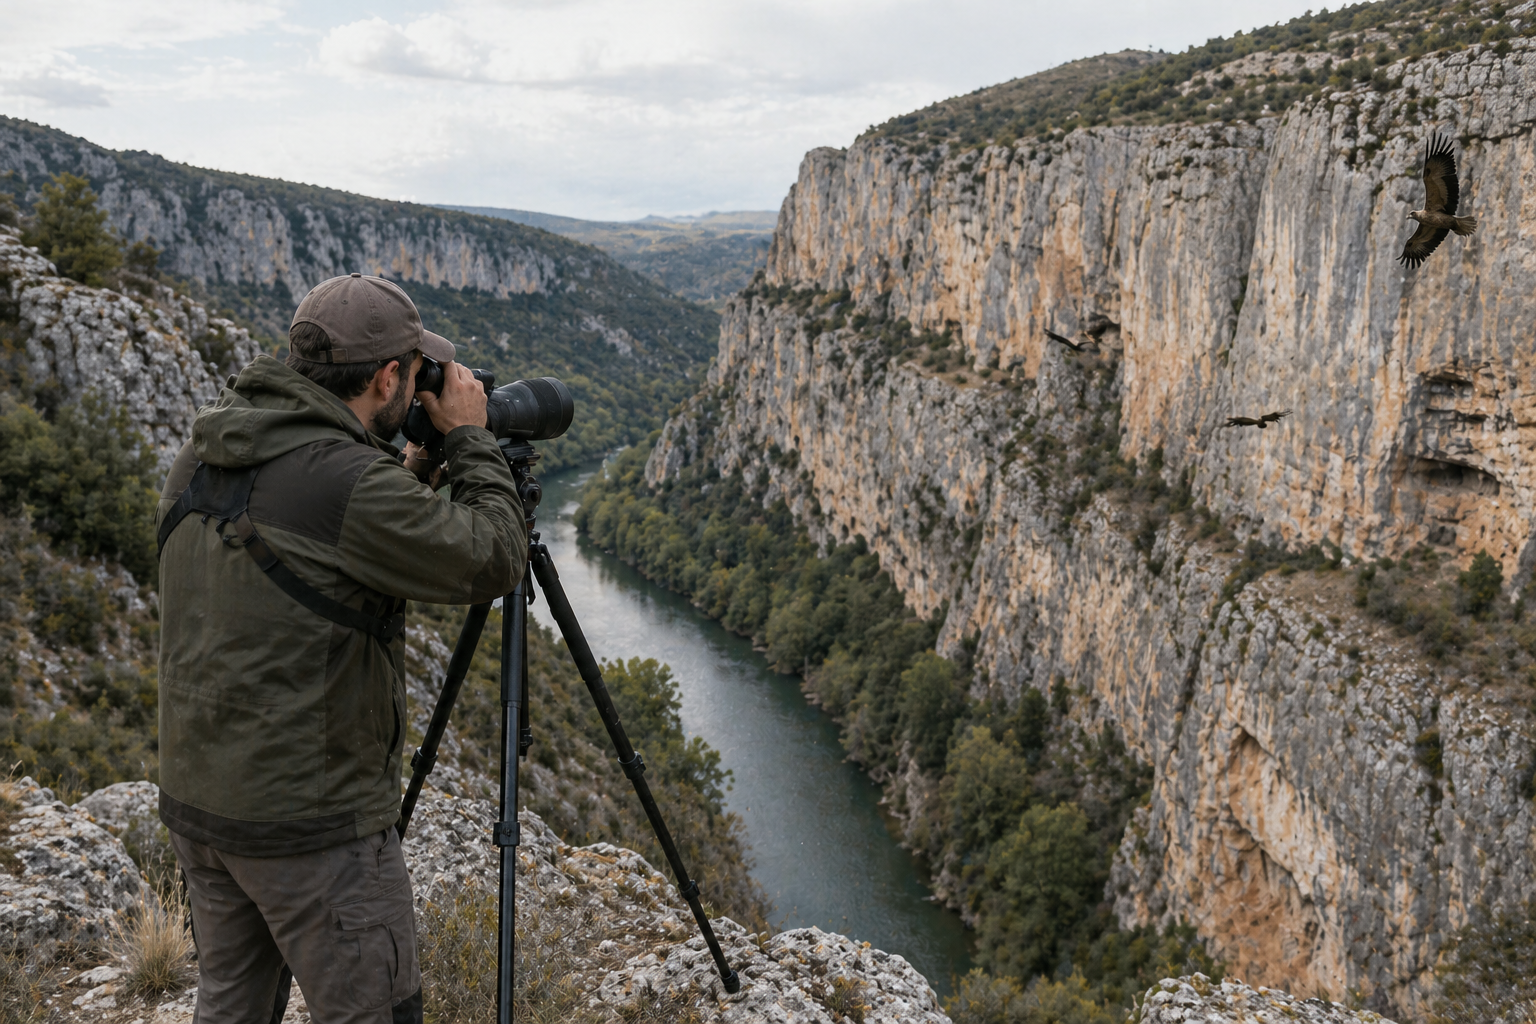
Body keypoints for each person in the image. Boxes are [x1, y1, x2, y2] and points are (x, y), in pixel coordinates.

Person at [155, 273, 526, 1024]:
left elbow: (315, 537)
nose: (420, 389)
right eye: (417, 376)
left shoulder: (204, 452)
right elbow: (494, 555)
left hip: (203, 805)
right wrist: (471, 441)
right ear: (390, 375)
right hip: (311, 825)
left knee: (231, 1003)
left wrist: (413, 473)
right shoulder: (348, 484)